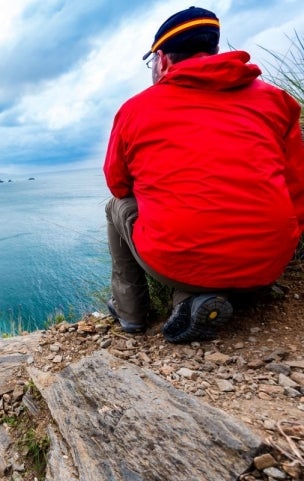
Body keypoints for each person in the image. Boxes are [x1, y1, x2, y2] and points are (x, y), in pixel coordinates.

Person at [103, 6, 304, 342]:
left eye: (151, 61)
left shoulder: (135, 110)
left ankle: (131, 313)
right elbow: (295, 186)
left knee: (116, 206)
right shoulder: (277, 100)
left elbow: (118, 184)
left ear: (163, 59)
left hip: (180, 263)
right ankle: (198, 300)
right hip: (269, 260)